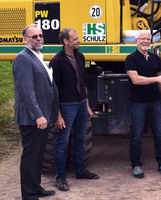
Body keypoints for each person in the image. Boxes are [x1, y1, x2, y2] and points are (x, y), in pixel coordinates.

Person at [50, 28, 99, 191]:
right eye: (75, 39)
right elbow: (53, 91)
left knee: (80, 139)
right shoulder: (56, 61)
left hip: (81, 105)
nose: (79, 41)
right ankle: (60, 178)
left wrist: (87, 105)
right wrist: (57, 115)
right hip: (66, 107)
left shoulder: (80, 56)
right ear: (65, 41)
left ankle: (80, 171)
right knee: (62, 143)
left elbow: (83, 82)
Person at [13, 24, 58, 199]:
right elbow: (26, 90)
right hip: (32, 118)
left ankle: (36, 187)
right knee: (30, 157)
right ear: (26, 39)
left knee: (39, 155)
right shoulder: (23, 58)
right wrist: (38, 115)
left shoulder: (38, 56)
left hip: (42, 116)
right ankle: (29, 194)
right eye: (34, 36)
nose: (39, 39)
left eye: (41, 35)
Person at [125, 30, 161, 178]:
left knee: (159, 133)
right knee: (137, 135)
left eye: (148, 39)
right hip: (138, 102)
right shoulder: (131, 59)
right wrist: (157, 79)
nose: (145, 41)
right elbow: (136, 80)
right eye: (142, 38)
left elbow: (160, 79)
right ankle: (136, 165)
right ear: (136, 41)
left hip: (155, 101)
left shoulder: (155, 58)